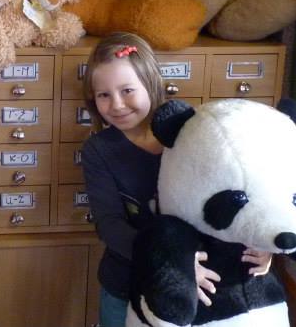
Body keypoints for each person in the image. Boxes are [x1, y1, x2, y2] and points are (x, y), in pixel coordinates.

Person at [80, 32, 272, 327]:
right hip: (126, 282)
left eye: (127, 90)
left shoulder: (191, 132)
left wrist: (264, 243)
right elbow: (109, 224)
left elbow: (241, 188)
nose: (117, 104)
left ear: (151, 84)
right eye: (104, 95)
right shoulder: (98, 150)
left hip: (196, 285)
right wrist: (170, 263)